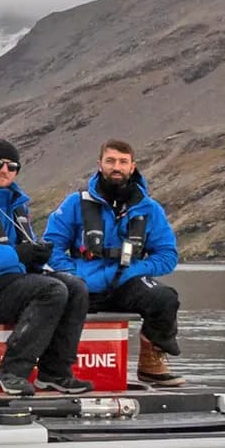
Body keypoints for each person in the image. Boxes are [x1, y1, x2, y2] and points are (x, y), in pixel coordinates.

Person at [0, 137, 92, 397]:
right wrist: (17, 254)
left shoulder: (15, 205)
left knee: (76, 287)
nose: (5, 171)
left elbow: (23, 254)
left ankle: (54, 373)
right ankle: (10, 373)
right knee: (51, 291)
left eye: (12, 167)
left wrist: (36, 256)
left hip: (12, 283)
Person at [44, 139, 185, 386]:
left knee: (165, 299)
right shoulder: (75, 204)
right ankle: (54, 370)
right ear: (100, 165)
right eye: (110, 161)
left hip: (126, 282)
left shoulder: (149, 209)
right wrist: (69, 272)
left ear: (133, 166)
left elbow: (167, 255)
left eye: (122, 162)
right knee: (52, 300)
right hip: (82, 284)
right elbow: (51, 245)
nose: (116, 167)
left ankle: (151, 364)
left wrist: (134, 270)